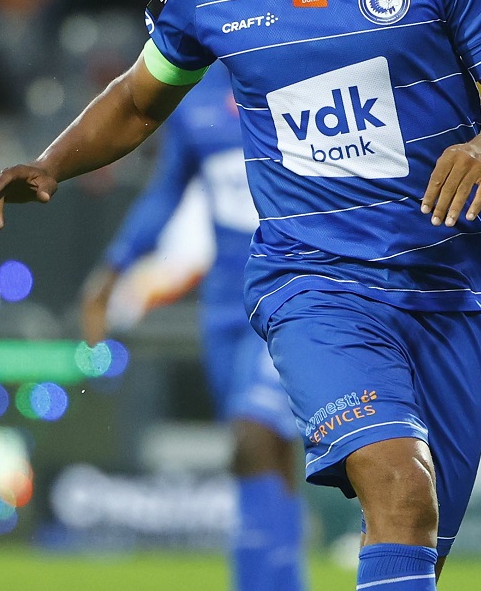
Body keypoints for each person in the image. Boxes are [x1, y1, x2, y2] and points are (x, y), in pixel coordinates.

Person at [0, 0, 481, 590]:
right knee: (400, 485)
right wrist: (53, 162)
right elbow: (138, 100)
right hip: (314, 285)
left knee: (418, 540)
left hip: (445, 289)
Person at [79, 61, 305, 590]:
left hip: (291, 293)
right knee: (264, 448)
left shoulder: (297, 72)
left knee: (253, 434)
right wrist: (112, 270)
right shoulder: (197, 102)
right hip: (225, 305)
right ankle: (281, 579)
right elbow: (166, 191)